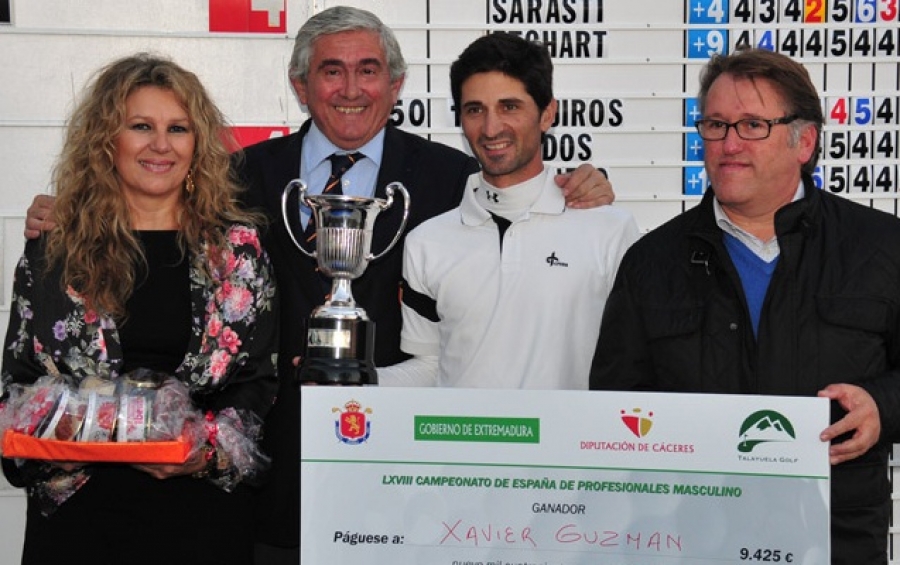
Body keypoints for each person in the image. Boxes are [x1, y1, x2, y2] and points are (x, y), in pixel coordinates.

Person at [23, 7, 614, 562]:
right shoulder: (235, 176)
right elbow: (139, 211)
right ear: (301, 85)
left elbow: (522, 202)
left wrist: (585, 187)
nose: (351, 89)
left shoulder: (456, 178)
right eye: (331, 71)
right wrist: (68, 212)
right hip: (268, 483)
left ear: (397, 84)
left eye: (368, 71)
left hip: (405, 477)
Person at [589, 47, 900, 565]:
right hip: (688, 542)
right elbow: (616, 405)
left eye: (752, 125)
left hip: (835, 538)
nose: (728, 144)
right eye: (715, 125)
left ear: (806, 141)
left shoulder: (882, 247)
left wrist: (882, 407)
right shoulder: (651, 262)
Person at [1, 53, 278, 565]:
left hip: (202, 520)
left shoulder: (237, 249)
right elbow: (18, 383)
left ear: (197, 146)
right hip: (78, 523)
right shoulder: (55, 246)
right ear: (107, 140)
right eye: (140, 126)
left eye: (178, 128)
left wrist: (204, 451)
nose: (160, 145)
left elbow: (258, 383)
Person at [378, 32, 639, 388]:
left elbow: (633, 364)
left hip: (570, 443)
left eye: (509, 107)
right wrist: (352, 384)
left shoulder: (611, 231)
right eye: (475, 110)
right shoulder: (427, 242)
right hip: (459, 443)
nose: (491, 128)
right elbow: (430, 368)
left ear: (547, 114)